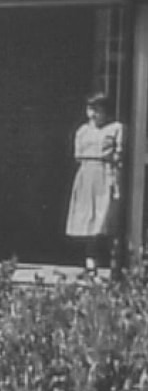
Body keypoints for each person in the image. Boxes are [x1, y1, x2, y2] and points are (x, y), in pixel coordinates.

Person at [65, 93, 125, 277]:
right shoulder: (82, 130)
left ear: (106, 111)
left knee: (106, 221)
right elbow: (78, 154)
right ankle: (90, 266)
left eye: (97, 110)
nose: (92, 115)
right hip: (86, 175)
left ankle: (116, 266)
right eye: (90, 110)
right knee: (88, 223)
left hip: (105, 174)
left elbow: (119, 154)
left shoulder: (116, 128)